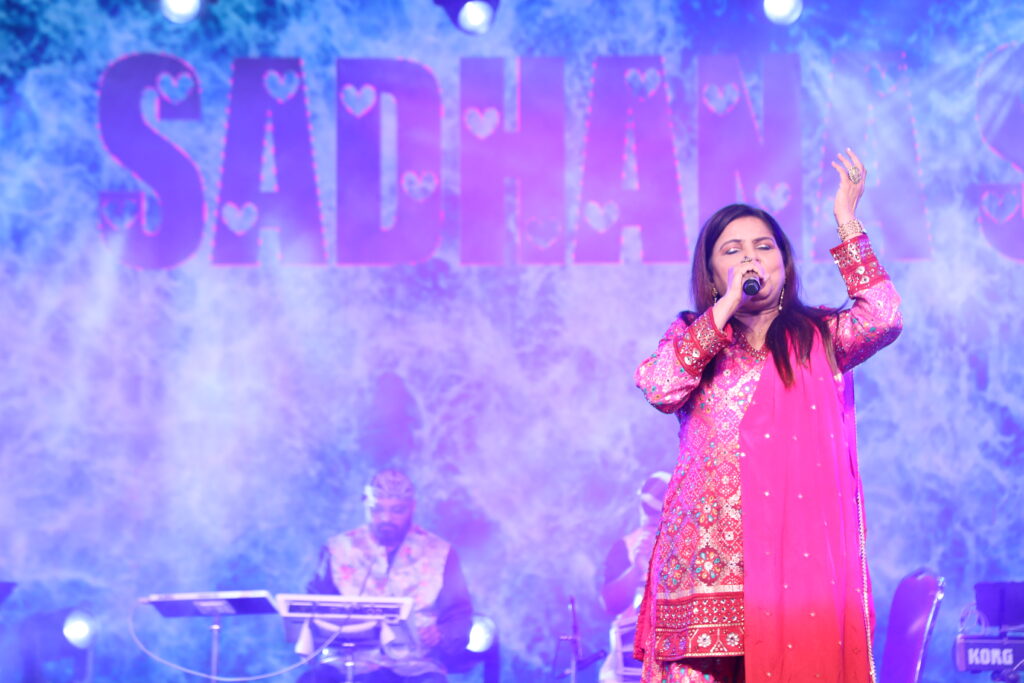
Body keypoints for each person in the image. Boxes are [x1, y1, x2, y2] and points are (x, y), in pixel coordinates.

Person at [632, 149, 902, 683]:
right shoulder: (694, 336)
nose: (750, 258)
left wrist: (846, 221)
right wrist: (721, 313)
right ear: (713, 274)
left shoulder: (821, 336)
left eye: (763, 246)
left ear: (784, 262)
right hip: (704, 570)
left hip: (793, 574)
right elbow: (661, 387)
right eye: (732, 250)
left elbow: (884, 317)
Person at [298, 469, 473, 683]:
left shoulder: (440, 552)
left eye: (397, 510)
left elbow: (459, 614)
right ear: (365, 504)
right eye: (377, 509)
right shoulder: (337, 550)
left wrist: (441, 633)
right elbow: (315, 607)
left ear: (412, 507)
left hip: (415, 665)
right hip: (347, 663)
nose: (386, 518)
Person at [598, 471, 671, 683]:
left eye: (656, 511)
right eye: (647, 508)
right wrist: (636, 570)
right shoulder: (625, 546)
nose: (650, 517)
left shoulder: (686, 547)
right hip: (627, 665)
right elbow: (610, 604)